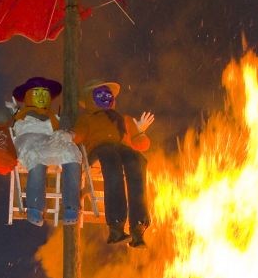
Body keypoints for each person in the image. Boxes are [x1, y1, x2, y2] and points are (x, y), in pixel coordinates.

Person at [73, 79, 154, 247]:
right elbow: (76, 136)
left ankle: (138, 226)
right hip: (99, 149)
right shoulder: (87, 119)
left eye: (107, 95)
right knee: (111, 162)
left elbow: (141, 145)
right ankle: (116, 225)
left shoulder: (123, 120)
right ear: (90, 99)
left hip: (121, 148)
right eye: (99, 95)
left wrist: (139, 132)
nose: (105, 98)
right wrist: (66, 135)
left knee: (136, 160)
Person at [11, 76, 81, 226]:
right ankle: (35, 207)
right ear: (28, 96)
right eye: (37, 93)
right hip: (28, 138)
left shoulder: (55, 117)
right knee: (36, 156)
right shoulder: (19, 114)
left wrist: (67, 133)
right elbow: (2, 123)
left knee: (71, 152)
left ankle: (71, 206)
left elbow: (68, 130)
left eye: (45, 93)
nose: (42, 97)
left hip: (49, 140)